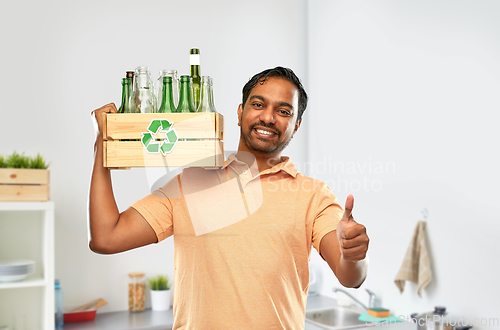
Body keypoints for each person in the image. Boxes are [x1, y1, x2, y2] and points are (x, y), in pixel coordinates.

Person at [89, 67, 369, 329]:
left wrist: (354, 254)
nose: (269, 117)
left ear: (296, 124)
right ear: (239, 113)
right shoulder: (191, 182)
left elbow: (350, 276)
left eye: (283, 110)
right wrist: (103, 144)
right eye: (258, 104)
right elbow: (106, 237)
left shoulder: (313, 196)